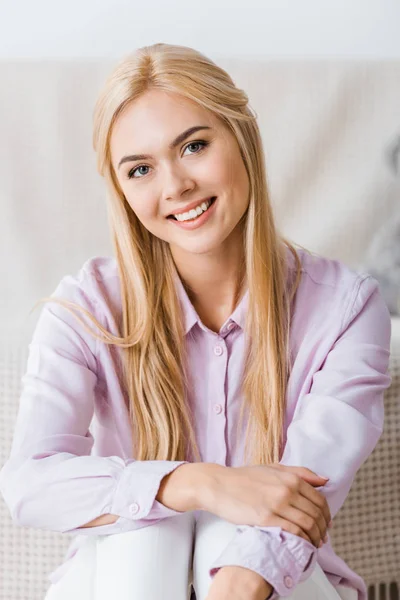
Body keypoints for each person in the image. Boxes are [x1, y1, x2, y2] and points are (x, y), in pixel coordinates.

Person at [0, 43, 392, 600]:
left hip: (276, 581)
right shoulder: (88, 308)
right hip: (119, 577)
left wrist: (231, 562)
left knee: (230, 532)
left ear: (244, 137)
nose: (175, 186)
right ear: (122, 191)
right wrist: (199, 482)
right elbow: (29, 484)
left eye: (194, 146)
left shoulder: (346, 309)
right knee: (148, 531)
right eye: (140, 169)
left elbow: (302, 498)